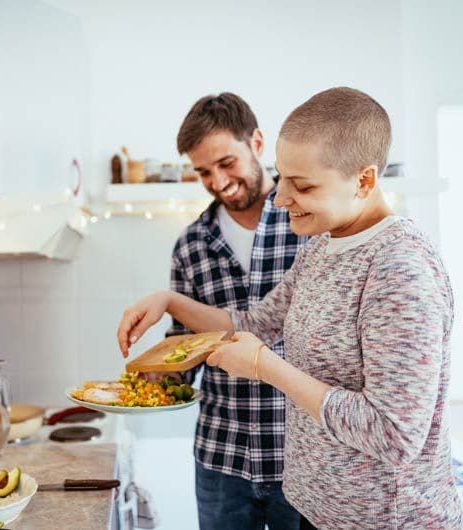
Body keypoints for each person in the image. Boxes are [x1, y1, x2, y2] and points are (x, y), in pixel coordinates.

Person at [118, 87, 463, 530]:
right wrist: (167, 301)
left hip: (384, 519)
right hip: (316, 509)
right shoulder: (321, 245)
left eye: (301, 186)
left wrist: (265, 367)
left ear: (363, 180)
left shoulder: (399, 268)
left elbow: (394, 435)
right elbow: (254, 323)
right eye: (282, 178)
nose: (280, 199)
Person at [121, 93, 309, 529]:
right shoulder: (190, 245)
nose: (219, 181)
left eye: (227, 163)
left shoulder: (306, 220)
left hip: (303, 454)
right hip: (222, 456)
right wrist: (152, 378)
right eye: (204, 172)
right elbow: (183, 348)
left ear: (257, 143)